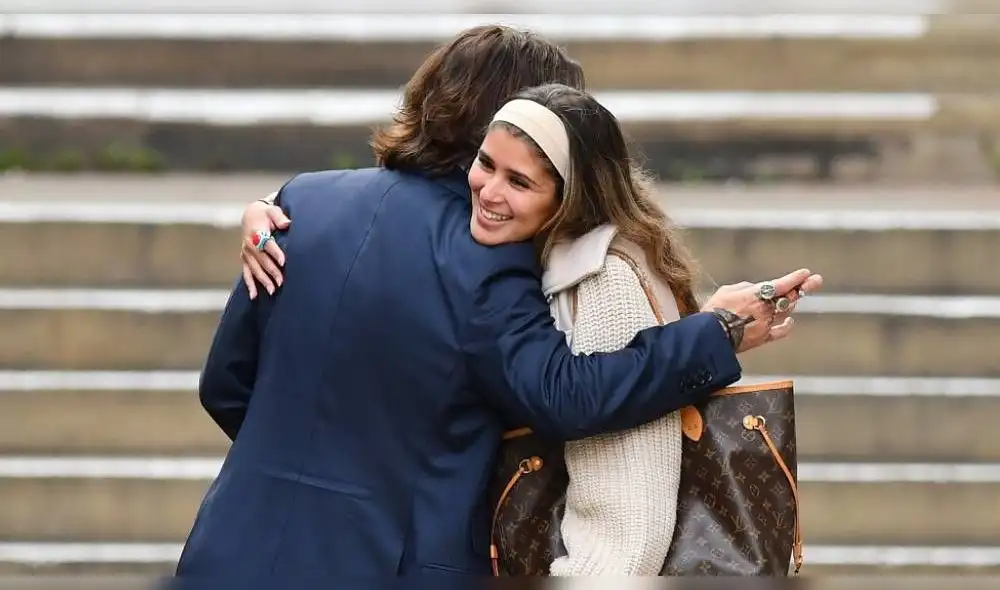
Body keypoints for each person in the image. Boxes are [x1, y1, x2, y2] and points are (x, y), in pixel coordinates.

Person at [186, 25, 818, 578]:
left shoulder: (300, 202)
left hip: (228, 549)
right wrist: (719, 331)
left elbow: (225, 385)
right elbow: (565, 394)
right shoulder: (481, 251)